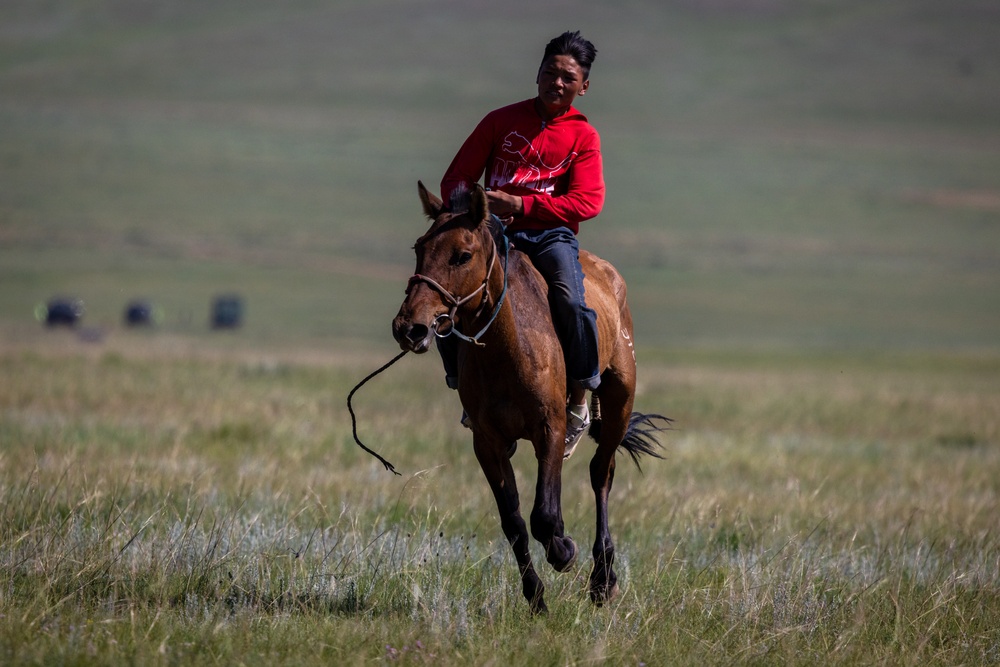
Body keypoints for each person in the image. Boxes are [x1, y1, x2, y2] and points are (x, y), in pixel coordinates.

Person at [437, 30, 604, 453]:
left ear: (583, 86)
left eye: (568, 77)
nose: (557, 82)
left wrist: (521, 205)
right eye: (550, 72)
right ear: (537, 73)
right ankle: (466, 389)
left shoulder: (583, 137)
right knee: (443, 288)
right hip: (494, 232)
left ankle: (580, 401)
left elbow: (588, 201)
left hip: (549, 234)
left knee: (569, 297)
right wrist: (475, 209)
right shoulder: (499, 120)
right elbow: (455, 178)